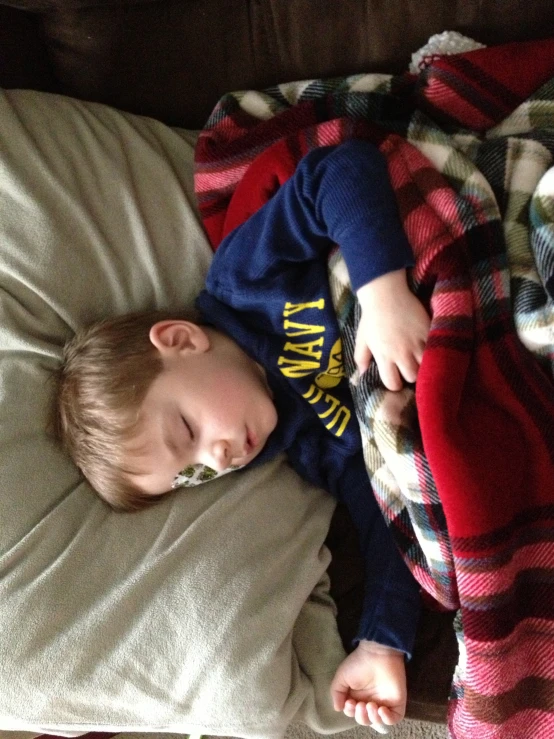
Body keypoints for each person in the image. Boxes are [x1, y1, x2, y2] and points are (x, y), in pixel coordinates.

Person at [55, 139, 430, 731]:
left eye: (188, 429)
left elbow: (338, 170)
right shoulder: (308, 445)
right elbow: (389, 521)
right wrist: (383, 644)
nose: (220, 456)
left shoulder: (247, 280)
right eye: (196, 472)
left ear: (181, 341)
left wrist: (381, 294)